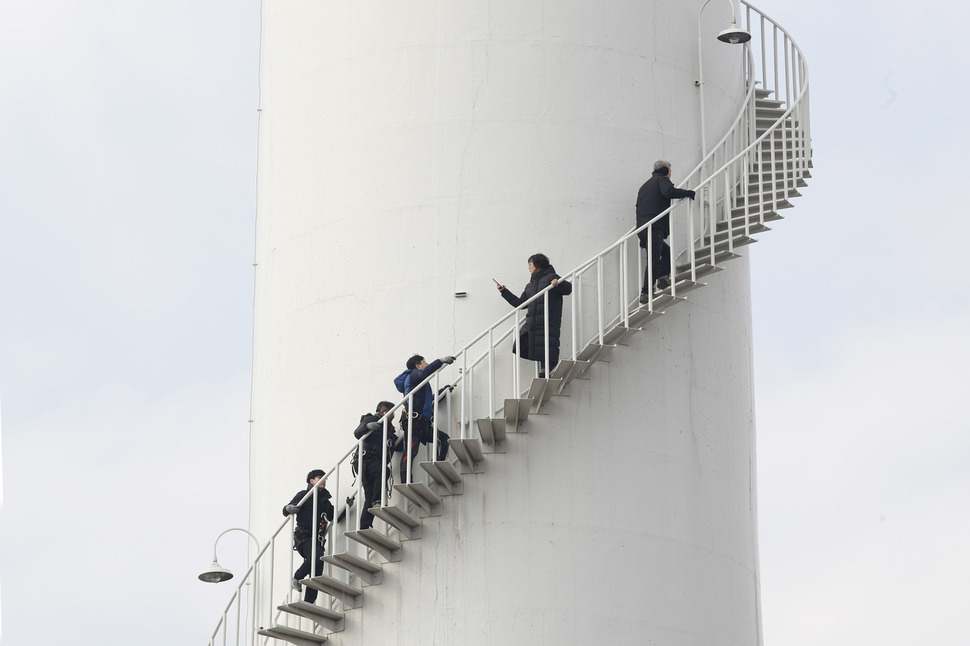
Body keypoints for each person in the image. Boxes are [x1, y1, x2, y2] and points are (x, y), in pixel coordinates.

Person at [496, 253, 572, 378]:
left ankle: (548, 367)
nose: (529, 267)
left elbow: (568, 289)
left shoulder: (551, 277)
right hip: (532, 321)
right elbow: (520, 304)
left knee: (547, 343)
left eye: (530, 264)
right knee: (526, 342)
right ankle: (545, 369)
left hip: (548, 320)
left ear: (538, 264)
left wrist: (558, 283)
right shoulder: (530, 286)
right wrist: (504, 292)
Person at [635, 161, 696, 302]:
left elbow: (637, 207)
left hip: (643, 227)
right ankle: (646, 292)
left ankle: (662, 277)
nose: (670, 174)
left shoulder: (644, 186)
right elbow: (669, 192)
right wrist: (687, 193)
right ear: (664, 170)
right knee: (654, 260)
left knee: (666, 253)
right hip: (654, 226)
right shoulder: (662, 180)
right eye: (670, 171)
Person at [394, 354, 455, 481]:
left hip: (422, 424)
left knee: (444, 439)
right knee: (411, 451)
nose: (427, 364)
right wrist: (440, 361)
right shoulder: (414, 374)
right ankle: (406, 481)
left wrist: (443, 391)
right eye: (424, 362)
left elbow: (429, 399)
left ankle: (437, 466)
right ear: (418, 365)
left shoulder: (422, 385)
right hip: (413, 422)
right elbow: (424, 373)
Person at [282, 469, 335, 603]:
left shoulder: (324, 501)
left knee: (317, 571)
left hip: (317, 540)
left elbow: (333, 516)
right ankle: (297, 577)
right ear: (312, 481)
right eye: (319, 478)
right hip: (303, 536)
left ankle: (308, 603)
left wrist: (348, 506)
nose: (323, 481)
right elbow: (287, 509)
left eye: (325, 479)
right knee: (316, 556)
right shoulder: (304, 495)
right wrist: (288, 508)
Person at [353, 401, 397, 530]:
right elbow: (357, 433)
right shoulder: (374, 419)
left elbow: (395, 444)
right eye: (392, 412)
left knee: (369, 495)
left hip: (370, 462)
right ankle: (377, 501)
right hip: (365, 460)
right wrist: (368, 426)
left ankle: (364, 525)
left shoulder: (388, 430)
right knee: (383, 471)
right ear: (384, 412)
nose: (393, 416)